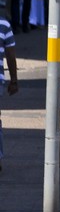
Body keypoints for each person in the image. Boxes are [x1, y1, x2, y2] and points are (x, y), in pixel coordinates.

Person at [0, 16, 18, 172]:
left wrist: (14, 80)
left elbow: (11, 55)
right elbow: (11, 55)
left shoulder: (4, 24)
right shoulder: (4, 24)